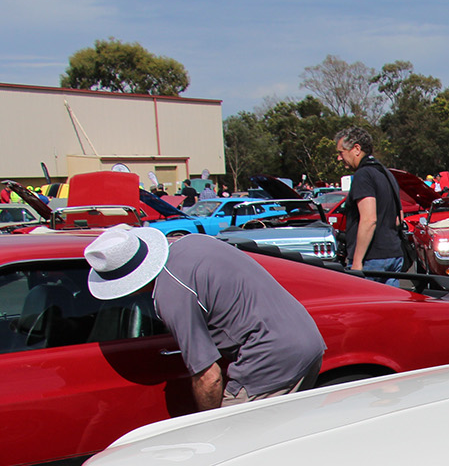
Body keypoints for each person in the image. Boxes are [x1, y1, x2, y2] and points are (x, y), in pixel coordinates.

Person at [84, 226, 325, 411]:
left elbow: (209, 378)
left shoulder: (171, 295)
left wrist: (209, 429)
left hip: (269, 359)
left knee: (233, 447)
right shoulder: (192, 242)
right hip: (308, 341)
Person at [334, 126, 407, 284]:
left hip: (373, 259)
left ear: (356, 149)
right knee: (391, 306)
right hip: (393, 254)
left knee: (367, 306)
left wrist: (357, 262)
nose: (339, 158)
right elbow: (399, 218)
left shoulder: (363, 175)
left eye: (341, 152)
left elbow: (369, 219)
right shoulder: (386, 174)